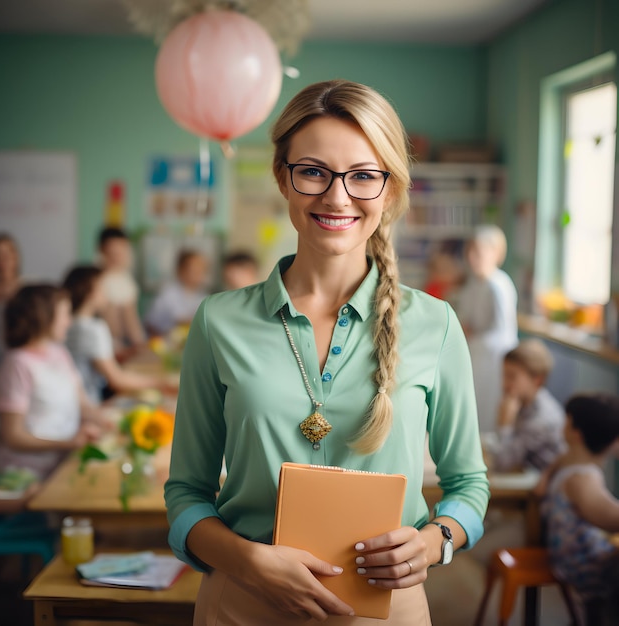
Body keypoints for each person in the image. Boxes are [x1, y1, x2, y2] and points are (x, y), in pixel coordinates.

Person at [165, 79, 489, 625]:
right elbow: (187, 493)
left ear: (389, 189)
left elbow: (469, 486)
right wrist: (247, 560)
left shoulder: (435, 323)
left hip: (386, 611)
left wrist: (435, 542)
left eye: (363, 176)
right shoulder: (218, 320)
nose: (337, 197)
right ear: (282, 178)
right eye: (313, 171)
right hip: (244, 604)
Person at [0, 285, 105, 480]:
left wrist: (108, 421)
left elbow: (83, 403)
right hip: (27, 475)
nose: (69, 322)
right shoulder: (17, 363)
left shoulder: (59, 353)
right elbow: (12, 435)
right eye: (65, 314)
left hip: (63, 465)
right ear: (43, 316)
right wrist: (67, 443)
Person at [541, 393, 619, 626]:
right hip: (587, 564)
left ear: (575, 432)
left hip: (575, 557)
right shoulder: (582, 479)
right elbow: (611, 518)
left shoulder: (569, 462)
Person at [63, 265, 177, 403]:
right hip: (91, 402)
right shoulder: (94, 328)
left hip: (73, 401)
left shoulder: (69, 324)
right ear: (89, 292)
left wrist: (125, 353)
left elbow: (91, 361)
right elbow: (116, 379)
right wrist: (160, 383)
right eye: (103, 288)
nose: (108, 293)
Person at [455, 224, 518, 433]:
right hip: (474, 356)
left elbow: (501, 333)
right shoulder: (473, 284)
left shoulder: (499, 285)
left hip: (493, 361)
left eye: (479, 252)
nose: (473, 258)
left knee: (487, 410)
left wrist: (471, 336)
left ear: (495, 254)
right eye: (470, 252)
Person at [483, 339, 565, 472]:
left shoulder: (542, 419)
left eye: (512, 376)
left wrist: (504, 425)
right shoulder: (521, 403)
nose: (504, 384)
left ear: (537, 379)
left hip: (537, 488)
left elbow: (501, 463)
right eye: (504, 375)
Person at [96, 227, 145, 358]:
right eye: (112, 253)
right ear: (101, 251)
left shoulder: (126, 280)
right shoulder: (94, 281)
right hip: (104, 347)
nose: (118, 257)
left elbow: (131, 318)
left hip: (124, 345)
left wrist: (141, 345)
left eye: (121, 252)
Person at [145, 249, 209, 336]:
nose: (199, 273)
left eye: (201, 269)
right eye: (194, 269)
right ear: (180, 270)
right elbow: (150, 323)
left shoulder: (204, 297)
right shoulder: (168, 292)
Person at [0, 233, 22, 370]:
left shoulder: (26, 289)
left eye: (7, 252)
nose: (3, 258)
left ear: (16, 256)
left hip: (16, 354)